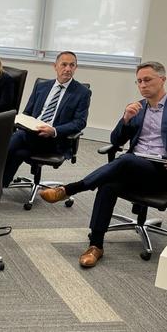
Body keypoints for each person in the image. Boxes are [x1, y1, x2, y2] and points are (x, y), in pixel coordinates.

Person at [39, 61, 167, 268]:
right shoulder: (138, 108)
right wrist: (125, 119)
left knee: (124, 160)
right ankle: (95, 245)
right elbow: (116, 141)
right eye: (139, 81)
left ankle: (71, 189)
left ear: (163, 80)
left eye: (148, 80)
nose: (143, 85)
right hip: (135, 168)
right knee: (108, 184)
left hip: (161, 173)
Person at [2, 51, 91, 188]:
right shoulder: (42, 87)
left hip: (55, 140)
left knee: (17, 138)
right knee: (19, 152)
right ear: (55, 66)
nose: (68, 69)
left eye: (72, 65)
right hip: (32, 133)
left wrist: (54, 130)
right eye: (64, 64)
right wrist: (23, 122)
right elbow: (27, 113)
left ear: (76, 68)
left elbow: (80, 122)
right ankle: (0, 185)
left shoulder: (82, 92)